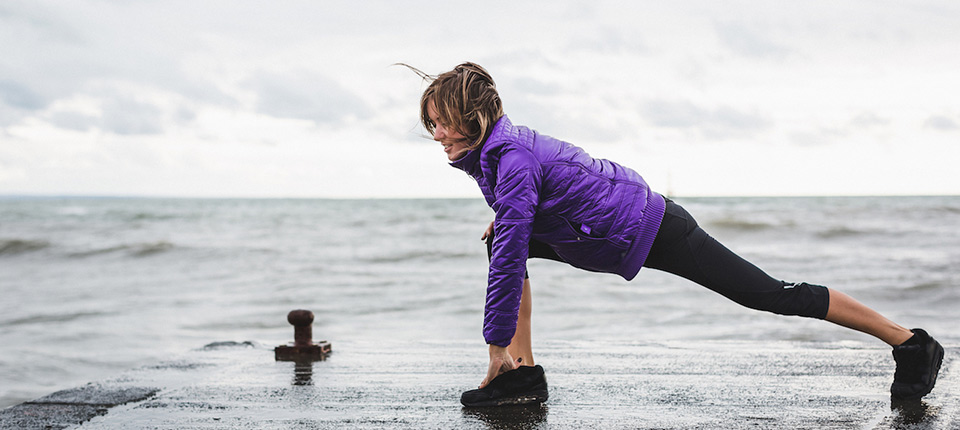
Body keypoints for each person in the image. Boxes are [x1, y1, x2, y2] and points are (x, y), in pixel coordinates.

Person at [407, 62, 944, 407]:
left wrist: (492, 340)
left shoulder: (511, 158)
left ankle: (910, 343)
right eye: (430, 124)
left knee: (769, 295)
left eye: (443, 122)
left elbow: (516, 241)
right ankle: (520, 376)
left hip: (654, 227)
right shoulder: (494, 155)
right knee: (504, 242)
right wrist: (509, 222)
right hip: (603, 233)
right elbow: (545, 201)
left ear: (474, 115)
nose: (437, 135)